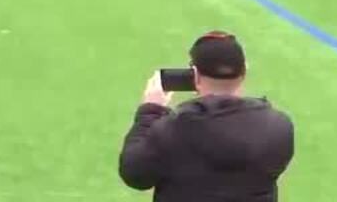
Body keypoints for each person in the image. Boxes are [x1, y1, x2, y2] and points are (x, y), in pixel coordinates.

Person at [119, 32, 293, 202]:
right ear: (244, 71)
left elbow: (135, 174)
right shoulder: (279, 127)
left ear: (194, 75)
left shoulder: (174, 129)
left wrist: (150, 110)